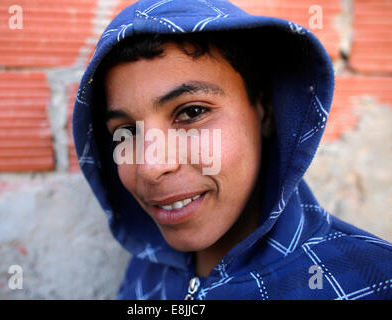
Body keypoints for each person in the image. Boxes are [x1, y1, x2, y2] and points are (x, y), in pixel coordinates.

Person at [72, 0, 391, 300]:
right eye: (126, 132)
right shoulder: (145, 271)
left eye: (192, 113)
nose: (151, 167)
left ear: (264, 110)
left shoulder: (371, 281)